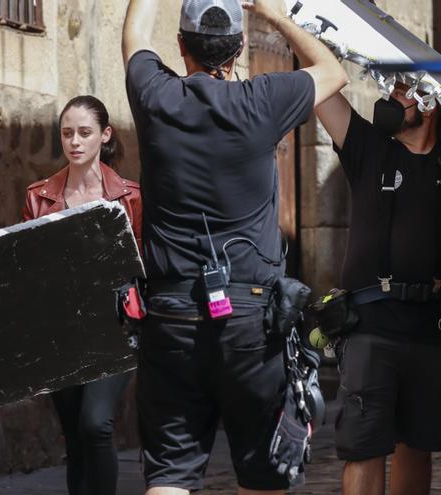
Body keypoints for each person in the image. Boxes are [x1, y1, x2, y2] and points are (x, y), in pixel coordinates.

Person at [122, 0, 347, 493]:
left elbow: (134, 30)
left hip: (172, 314)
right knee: (263, 474)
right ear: (242, 46)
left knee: (169, 475)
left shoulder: (155, 93)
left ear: (180, 47)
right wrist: (273, 14)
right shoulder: (262, 99)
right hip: (251, 320)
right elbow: (332, 71)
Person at [315, 80, 441, 494]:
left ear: (430, 101)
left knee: (417, 446)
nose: (390, 98)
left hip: (430, 330)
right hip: (370, 325)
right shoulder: (369, 149)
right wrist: (287, 17)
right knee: (364, 447)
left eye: (404, 91)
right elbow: (320, 88)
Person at [22, 95, 141, 495]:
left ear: (105, 136)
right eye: (67, 133)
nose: (74, 141)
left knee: (96, 423)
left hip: (114, 324)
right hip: (61, 329)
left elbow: (144, 264)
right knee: (74, 434)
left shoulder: (130, 196)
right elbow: (27, 265)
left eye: (85, 133)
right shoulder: (39, 196)